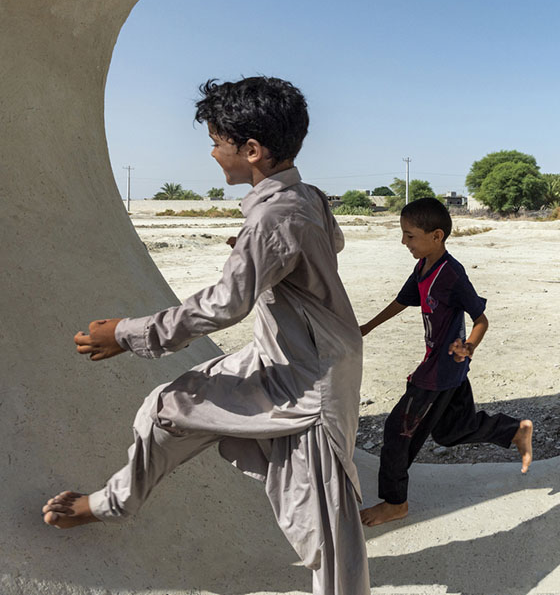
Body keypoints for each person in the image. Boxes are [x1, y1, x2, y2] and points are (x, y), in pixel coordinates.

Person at [41, 76, 368, 595]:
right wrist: (260, 250)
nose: (213, 152)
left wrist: (127, 334)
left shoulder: (273, 218)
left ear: (253, 150)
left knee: (325, 528)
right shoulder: (308, 198)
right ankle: (111, 504)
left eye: (218, 141)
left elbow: (224, 304)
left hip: (313, 379)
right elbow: (333, 241)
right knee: (170, 407)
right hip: (278, 357)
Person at [358, 197, 532, 527]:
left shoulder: (451, 274)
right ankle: (515, 431)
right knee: (452, 431)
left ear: (436, 236)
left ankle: (395, 503)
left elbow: (481, 319)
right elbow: (401, 301)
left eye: (410, 235)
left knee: (397, 432)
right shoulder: (423, 265)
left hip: (439, 371)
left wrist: (469, 346)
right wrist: (367, 327)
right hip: (448, 370)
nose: (403, 242)